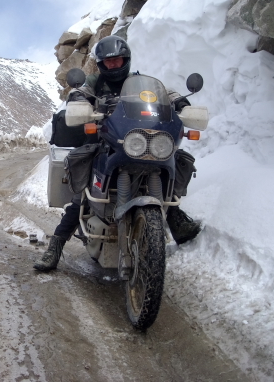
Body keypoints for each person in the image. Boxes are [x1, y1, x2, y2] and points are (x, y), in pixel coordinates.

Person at [34, 35, 201, 272]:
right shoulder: (95, 81)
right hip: (106, 141)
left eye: (118, 60)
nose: (113, 65)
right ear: (101, 64)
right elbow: (79, 92)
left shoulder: (139, 82)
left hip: (137, 140)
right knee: (82, 192)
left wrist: (182, 104)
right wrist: (80, 101)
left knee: (173, 160)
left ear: (127, 60)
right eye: (108, 62)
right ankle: (55, 247)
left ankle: (173, 214)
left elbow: (166, 94)